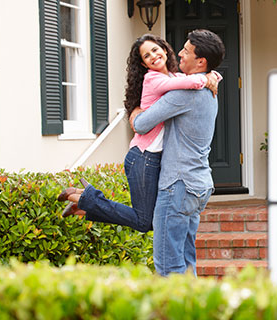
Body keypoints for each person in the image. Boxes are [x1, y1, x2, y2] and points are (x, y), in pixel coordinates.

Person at [57, 33, 220, 234]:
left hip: (154, 159)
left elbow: (184, 81)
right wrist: (205, 77)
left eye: (155, 49)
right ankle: (87, 199)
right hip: (144, 157)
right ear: (144, 64)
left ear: (164, 49)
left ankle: (84, 205)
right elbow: (186, 84)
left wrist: (213, 75)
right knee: (145, 222)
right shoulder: (154, 78)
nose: (153, 56)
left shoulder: (175, 77)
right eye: (146, 56)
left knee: (148, 220)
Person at [129, 29, 225, 276]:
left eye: (186, 50)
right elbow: (182, 78)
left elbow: (141, 124)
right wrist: (212, 75)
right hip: (199, 185)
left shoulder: (184, 94)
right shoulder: (207, 87)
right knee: (186, 261)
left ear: (200, 62)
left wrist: (135, 110)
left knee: (168, 266)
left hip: (178, 185)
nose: (179, 53)